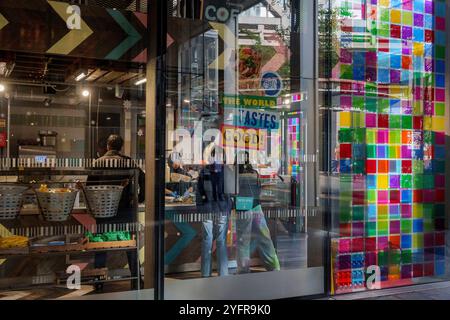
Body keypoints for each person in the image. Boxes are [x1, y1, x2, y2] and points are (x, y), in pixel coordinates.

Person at [87, 134, 145, 291]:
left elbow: (89, 188)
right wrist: (139, 198)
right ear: (120, 148)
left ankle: (99, 283)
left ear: (107, 146)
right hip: (126, 210)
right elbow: (144, 178)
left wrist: (93, 207)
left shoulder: (97, 163)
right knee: (131, 246)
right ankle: (137, 281)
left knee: (101, 247)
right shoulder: (128, 162)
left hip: (104, 212)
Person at [234, 151, 280, 274]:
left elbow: (232, 192)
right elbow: (259, 189)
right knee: (265, 238)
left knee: (243, 240)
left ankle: (243, 270)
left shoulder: (235, 174)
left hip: (243, 206)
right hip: (256, 207)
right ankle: (274, 267)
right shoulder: (254, 173)